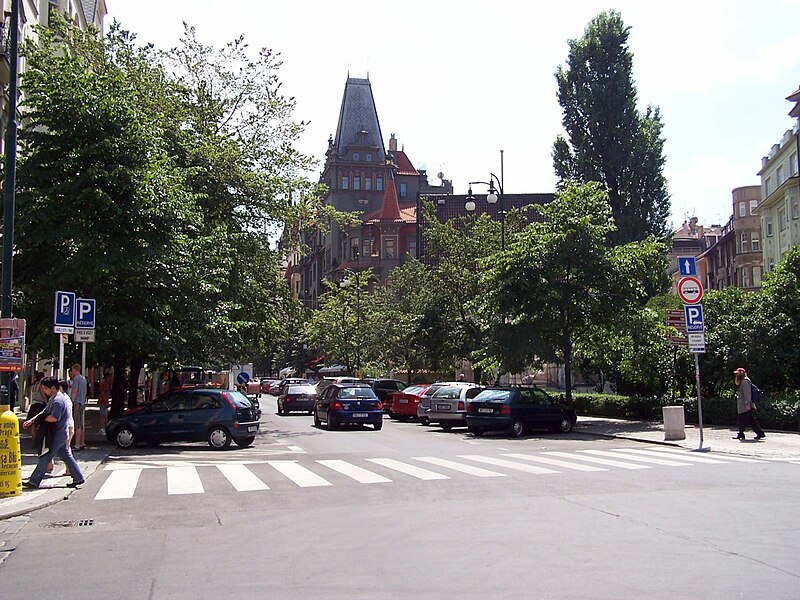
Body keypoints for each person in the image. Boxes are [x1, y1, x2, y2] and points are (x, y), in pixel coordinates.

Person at [21, 377, 84, 489]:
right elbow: (45, 411)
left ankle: (34, 481)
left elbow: (54, 417)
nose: (44, 391)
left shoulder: (58, 401)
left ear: (53, 388)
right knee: (66, 456)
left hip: (57, 434)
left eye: (45, 388)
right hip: (60, 434)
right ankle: (78, 477)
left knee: (45, 456)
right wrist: (33, 420)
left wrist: (40, 420)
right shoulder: (54, 398)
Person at [733, 367, 765, 441]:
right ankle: (759, 433)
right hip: (745, 404)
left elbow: (747, 394)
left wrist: (747, 404)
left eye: (737, 374)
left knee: (743, 419)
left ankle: (741, 434)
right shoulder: (744, 381)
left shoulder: (745, 381)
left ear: (742, 374)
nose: (736, 375)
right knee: (750, 419)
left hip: (745, 405)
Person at [69, 363, 87, 450]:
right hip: (82, 402)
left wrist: (71, 401)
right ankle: (82, 442)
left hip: (76, 403)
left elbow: (75, 391)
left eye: (72, 370)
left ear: (75, 370)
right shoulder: (84, 379)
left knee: (77, 424)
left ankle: (77, 444)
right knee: (81, 423)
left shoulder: (76, 379)